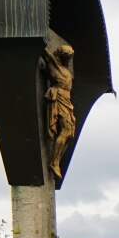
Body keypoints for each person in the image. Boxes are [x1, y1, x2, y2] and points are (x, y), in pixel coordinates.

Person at [46, 43, 76, 181]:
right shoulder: (54, 64)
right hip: (60, 98)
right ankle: (54, 162)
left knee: (70, 133)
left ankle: (56, 160)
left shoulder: (65, 69)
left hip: (67, 100)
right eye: (67, 57)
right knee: (66, 130)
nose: (69, 60)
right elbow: (45, 53)